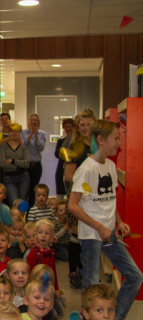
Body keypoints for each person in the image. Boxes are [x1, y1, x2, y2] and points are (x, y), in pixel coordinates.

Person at [68, 119, 143, 320]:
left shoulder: (109, 166)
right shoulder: (86, 169)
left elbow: (108, 201)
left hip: (110, 234)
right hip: (92, 236)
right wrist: (98, 226)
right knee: (91, 286)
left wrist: (119, 222)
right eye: (116, 139)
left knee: (135, 276)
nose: (119, 143)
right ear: (101, 140)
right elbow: (73, 205)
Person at [63, 109, 96, 286]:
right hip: (78, 196)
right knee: (76, 236)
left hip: (95, 197)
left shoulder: (99, 145)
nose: (85, 128)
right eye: (82, 125)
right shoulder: (74, 146)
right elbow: (69, 176)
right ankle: (73, 274)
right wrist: (87, 185)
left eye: (88, 124)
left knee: (89, 236)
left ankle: (86, 272)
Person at [0, 123, 30, 206]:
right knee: (14, 203)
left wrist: (12, 161)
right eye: (12, 131)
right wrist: (19, 165)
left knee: (22, 204)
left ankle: (21, 219)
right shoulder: (3, 147)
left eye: (16, 132)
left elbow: (26, 164)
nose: (14, 133)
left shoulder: (23, 148)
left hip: (23, 178)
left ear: (19, 133)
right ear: (9, 133)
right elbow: (2, 164)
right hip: (9, 178)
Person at [21, 113, 46, 207]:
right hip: (26, 165)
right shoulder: (23, 132)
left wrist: (36, 136)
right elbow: (23, 146)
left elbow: (41, 148)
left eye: (35, 120)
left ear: (38, 122)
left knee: (33, 191)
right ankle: (22, 213)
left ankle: (30, 213)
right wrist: (30, 134)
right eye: (32, 120)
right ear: (28, 122)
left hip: (37, 166)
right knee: (25, 190)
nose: (33, 122)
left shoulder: (42, 134)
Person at [54, 118, 75, 199]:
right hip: (61, 169)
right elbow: (57, 154)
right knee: (60, 194)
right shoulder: (61, 141)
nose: (68, 128)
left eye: (69, 126)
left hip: (73, 169)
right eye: (66, 126)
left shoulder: (77, 140)